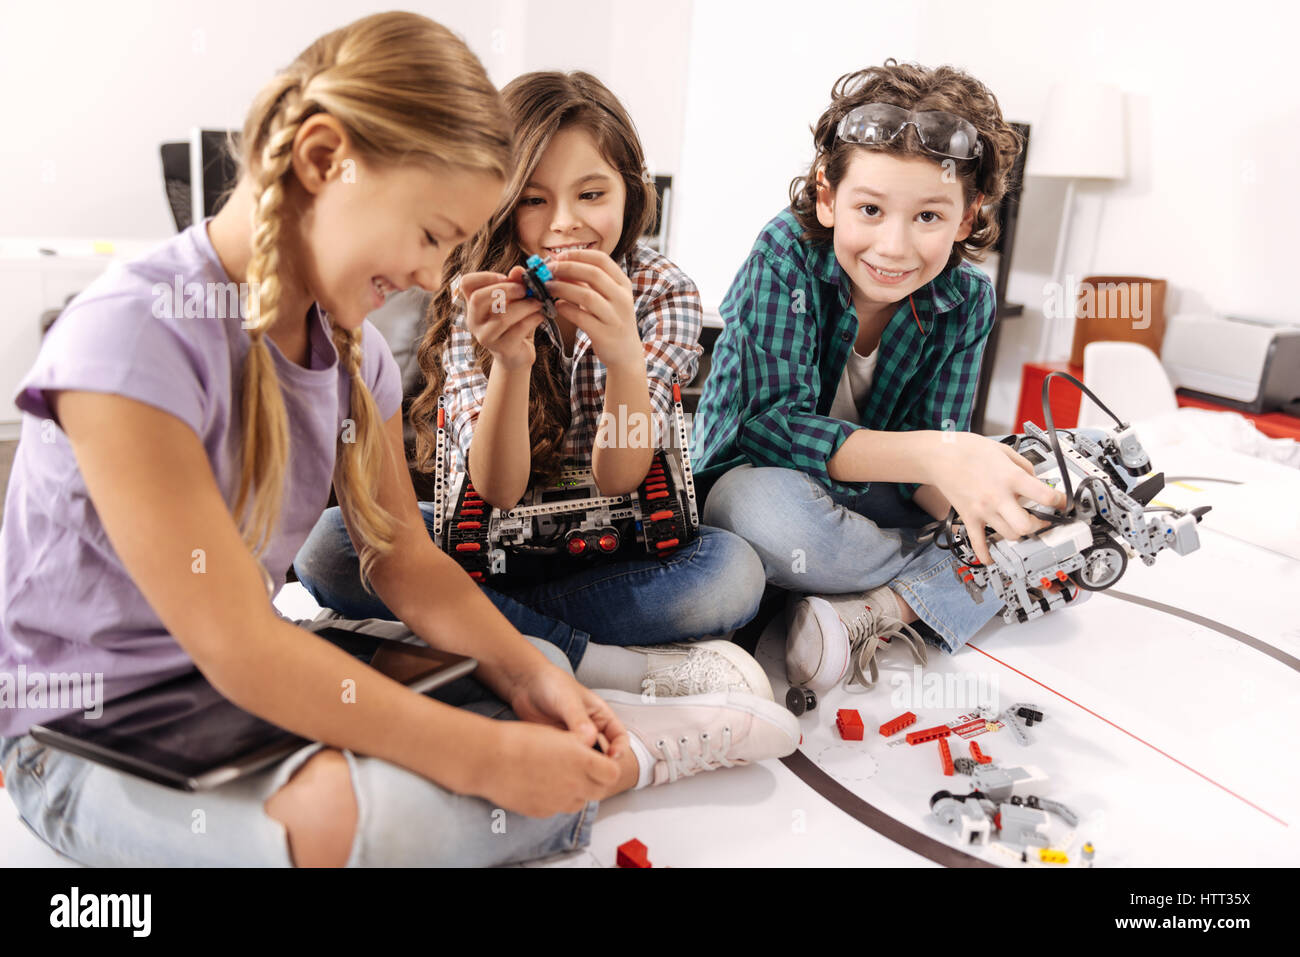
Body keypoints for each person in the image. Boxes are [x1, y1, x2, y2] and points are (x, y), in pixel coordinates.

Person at [0, 14, 797, 869]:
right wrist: (484, 756)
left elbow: (404, 558)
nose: (429, 276)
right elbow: (235, 642)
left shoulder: (356, 353)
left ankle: (584, 748)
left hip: (245, 693)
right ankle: (624, 763)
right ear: (319, 161)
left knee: (507, 680)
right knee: (347, 821)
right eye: (429, 236)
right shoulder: (133, 336)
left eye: (451, 246)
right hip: (85, 734)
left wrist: (533, 678)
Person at [294, 71, 770, 701]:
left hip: (613, 546)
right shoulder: (476, 292)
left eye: (592, 194)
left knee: (731, 575)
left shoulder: (661, 290)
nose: (564, 225)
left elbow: (621, 478)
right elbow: (496, 488)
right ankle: (591, 660)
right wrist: (511, 363)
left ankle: (475, 635)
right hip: (490, 551)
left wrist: (625, 356)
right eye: (533, 199)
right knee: (329, 547)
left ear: (631, 192)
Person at [692, 61, 1072, 695]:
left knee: (1030, 520)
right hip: (758, 482)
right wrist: (942, 456)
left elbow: (929, 469)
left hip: (877, 499)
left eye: (928, 217)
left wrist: (981, 505)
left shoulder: (968, 299)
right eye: (870, 208)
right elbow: (767, 431)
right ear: (826, 195)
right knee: (768, 517)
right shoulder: (784, 253)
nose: (894, 248)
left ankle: (867, 607)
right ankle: (926, 590)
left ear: (969, 213)